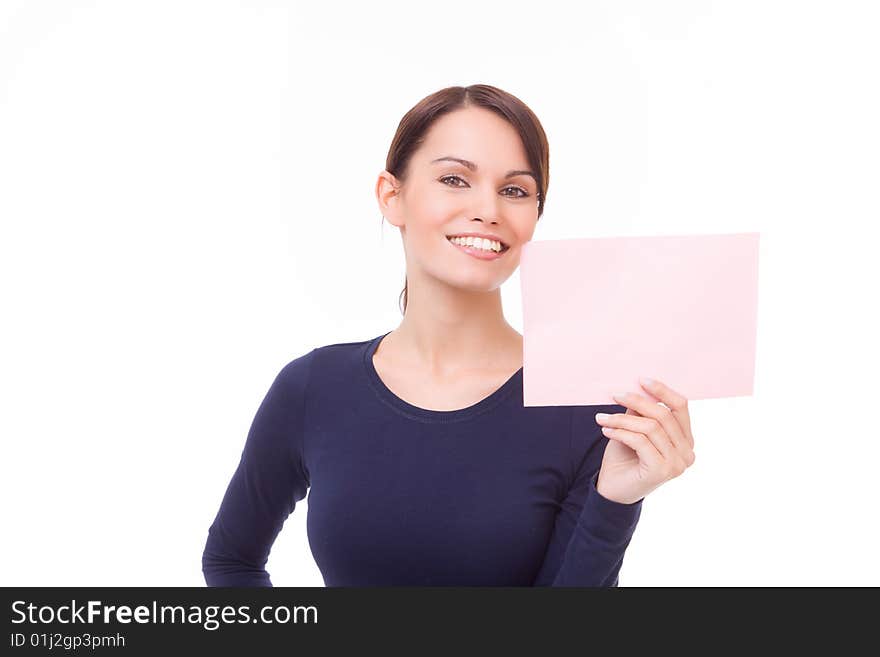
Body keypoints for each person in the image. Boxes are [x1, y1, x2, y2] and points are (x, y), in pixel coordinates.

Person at [201, 83, 696, 587]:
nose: (489, 210)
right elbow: (230, 562)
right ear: (392, 196)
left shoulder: (581, 406)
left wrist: (615, 499)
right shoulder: (312, 388)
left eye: (515, 190)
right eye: (455, 179)